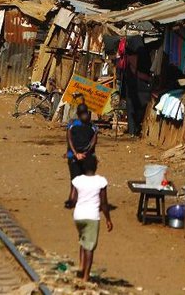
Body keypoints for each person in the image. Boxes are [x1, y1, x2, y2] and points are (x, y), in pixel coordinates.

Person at [68, 155, 112, 283]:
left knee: (83, 240)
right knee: (90, 247)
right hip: (92, 216)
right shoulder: (101, 181)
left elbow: (73, 199)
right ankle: (86, 276)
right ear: (96, 166)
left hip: (78, 216)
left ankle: (81, 265)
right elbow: (104, 203)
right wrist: (108, 219)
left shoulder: (77, 180)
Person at [65, 104, 98, 208]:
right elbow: (69, 140)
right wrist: (77, 154)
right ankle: (74, 199)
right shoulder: (73, 125)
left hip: (82, 156)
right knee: (76, 179)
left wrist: (81, 154)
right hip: (77, 155)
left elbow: (93, 142)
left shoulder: (91, 126)